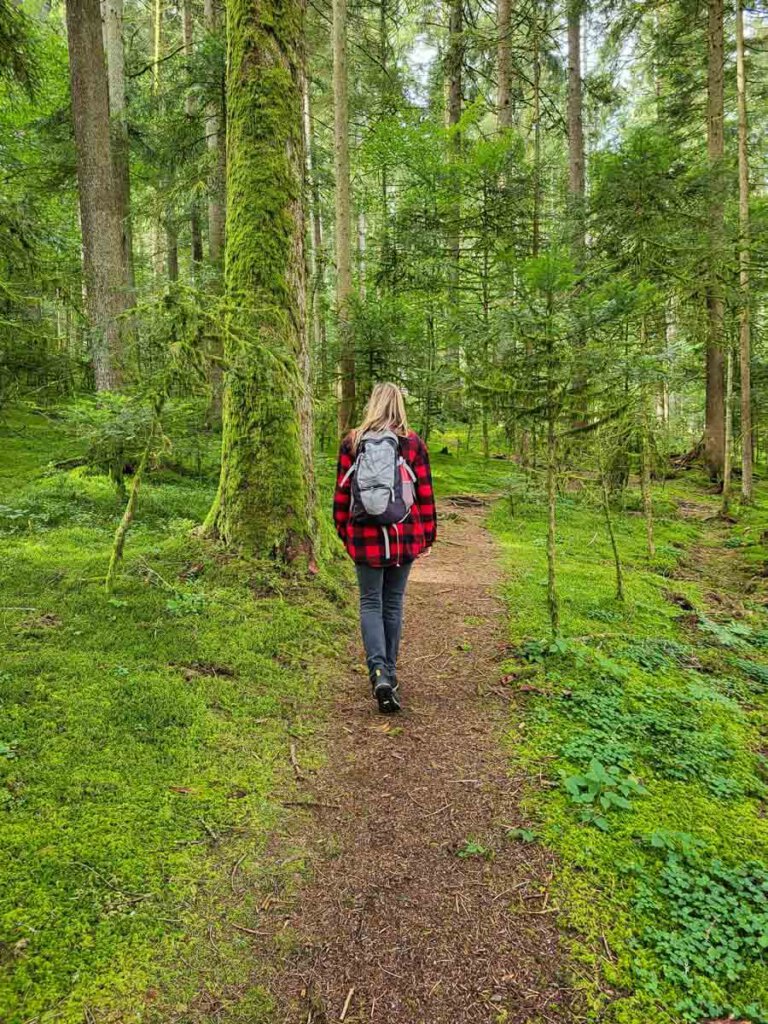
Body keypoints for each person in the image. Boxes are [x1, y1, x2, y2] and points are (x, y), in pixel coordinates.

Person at [333, 382, 437, 713]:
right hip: (403, 532)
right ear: (399, 406)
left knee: (370, 603)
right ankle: (389, 676)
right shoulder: (412, 442)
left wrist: (344, 532)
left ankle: (377, 672)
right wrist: (428, 535)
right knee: (393, 603)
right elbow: (424, 493)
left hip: (364, 536)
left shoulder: (353, 441)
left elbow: (341, 493)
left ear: (373, 404)